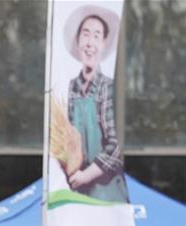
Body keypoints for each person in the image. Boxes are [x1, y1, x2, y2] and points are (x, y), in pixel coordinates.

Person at [61, 4, 128, 202]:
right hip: (76, 192)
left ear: (104, 44)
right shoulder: (71, 88)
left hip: (107, 194)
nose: (90, 43)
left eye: (97, 36)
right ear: (78, 39)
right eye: (86, 34)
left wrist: (85, 176)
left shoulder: (108, 88)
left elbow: (116, 147)